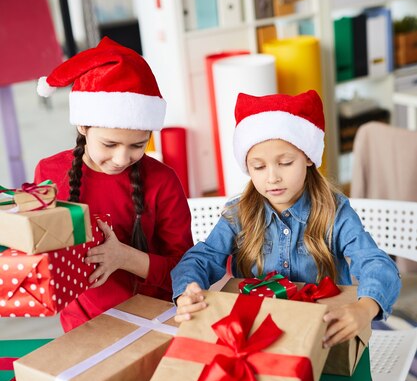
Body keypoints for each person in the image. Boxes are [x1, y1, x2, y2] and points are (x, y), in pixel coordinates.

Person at [172, 89, 401, 347]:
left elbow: (375, 262)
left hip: (323, 334)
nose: (272, 177)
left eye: (285, 162)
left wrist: (365, 308)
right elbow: (201, 258)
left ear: (308, 158)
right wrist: (187, 290)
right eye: (259, 167)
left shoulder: (334, 212)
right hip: (257, 336)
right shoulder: (239, 213)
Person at [35, 37, 193, 331]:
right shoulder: (49, 173)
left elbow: (186, 272)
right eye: (109, 143)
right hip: (82, 326)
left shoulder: (162, 181)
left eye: (138, 145)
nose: (122, 158)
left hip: (154, 322)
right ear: (83, 125)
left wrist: (125, 257)